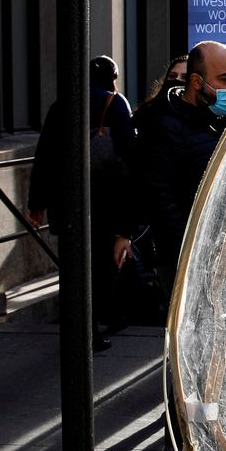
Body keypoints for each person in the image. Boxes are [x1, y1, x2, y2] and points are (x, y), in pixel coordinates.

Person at [123, 41, 226, 451]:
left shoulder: (216, 122)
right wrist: (193, 255)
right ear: (195, 82)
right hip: (189, 268)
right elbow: (161, 199)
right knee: (188, 372)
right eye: (224, 80)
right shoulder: (163, 127)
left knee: (216, 370)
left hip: (221, 265)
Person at [27, 55, 137, 346]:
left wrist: (36, 203)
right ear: (112, 76)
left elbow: (45, 157)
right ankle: (97, 325)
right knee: (104, 267)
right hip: (106, 201)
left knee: (74, 267)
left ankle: (78, 328)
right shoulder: (116, 104)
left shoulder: (60, 106)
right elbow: (130, 159)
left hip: (67, 204)